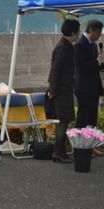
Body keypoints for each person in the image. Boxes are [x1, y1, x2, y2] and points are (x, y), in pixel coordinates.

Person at [73, 20, 104, 157]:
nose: (99, 36)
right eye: (99, 32)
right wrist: (98, 61)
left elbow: (95, 66)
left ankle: (90, 147)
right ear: (92, 30)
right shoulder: (80, 45)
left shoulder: (93, 45)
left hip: (93, 86)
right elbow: (82, 67)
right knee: (83, 118)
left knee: (92, 118)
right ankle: (79, 149)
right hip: (84, 87)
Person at [46, 18, 80, 163]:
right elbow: (55, 71)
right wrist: (53, 91)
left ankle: (61, 152)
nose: (79, 34)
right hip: (61, 90)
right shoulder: (63, 47)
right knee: (63, 121)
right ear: (72, 32)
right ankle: (57, 153)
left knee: (64, 121)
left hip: (65, 89)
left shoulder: (67, 46)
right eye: (78, 31)